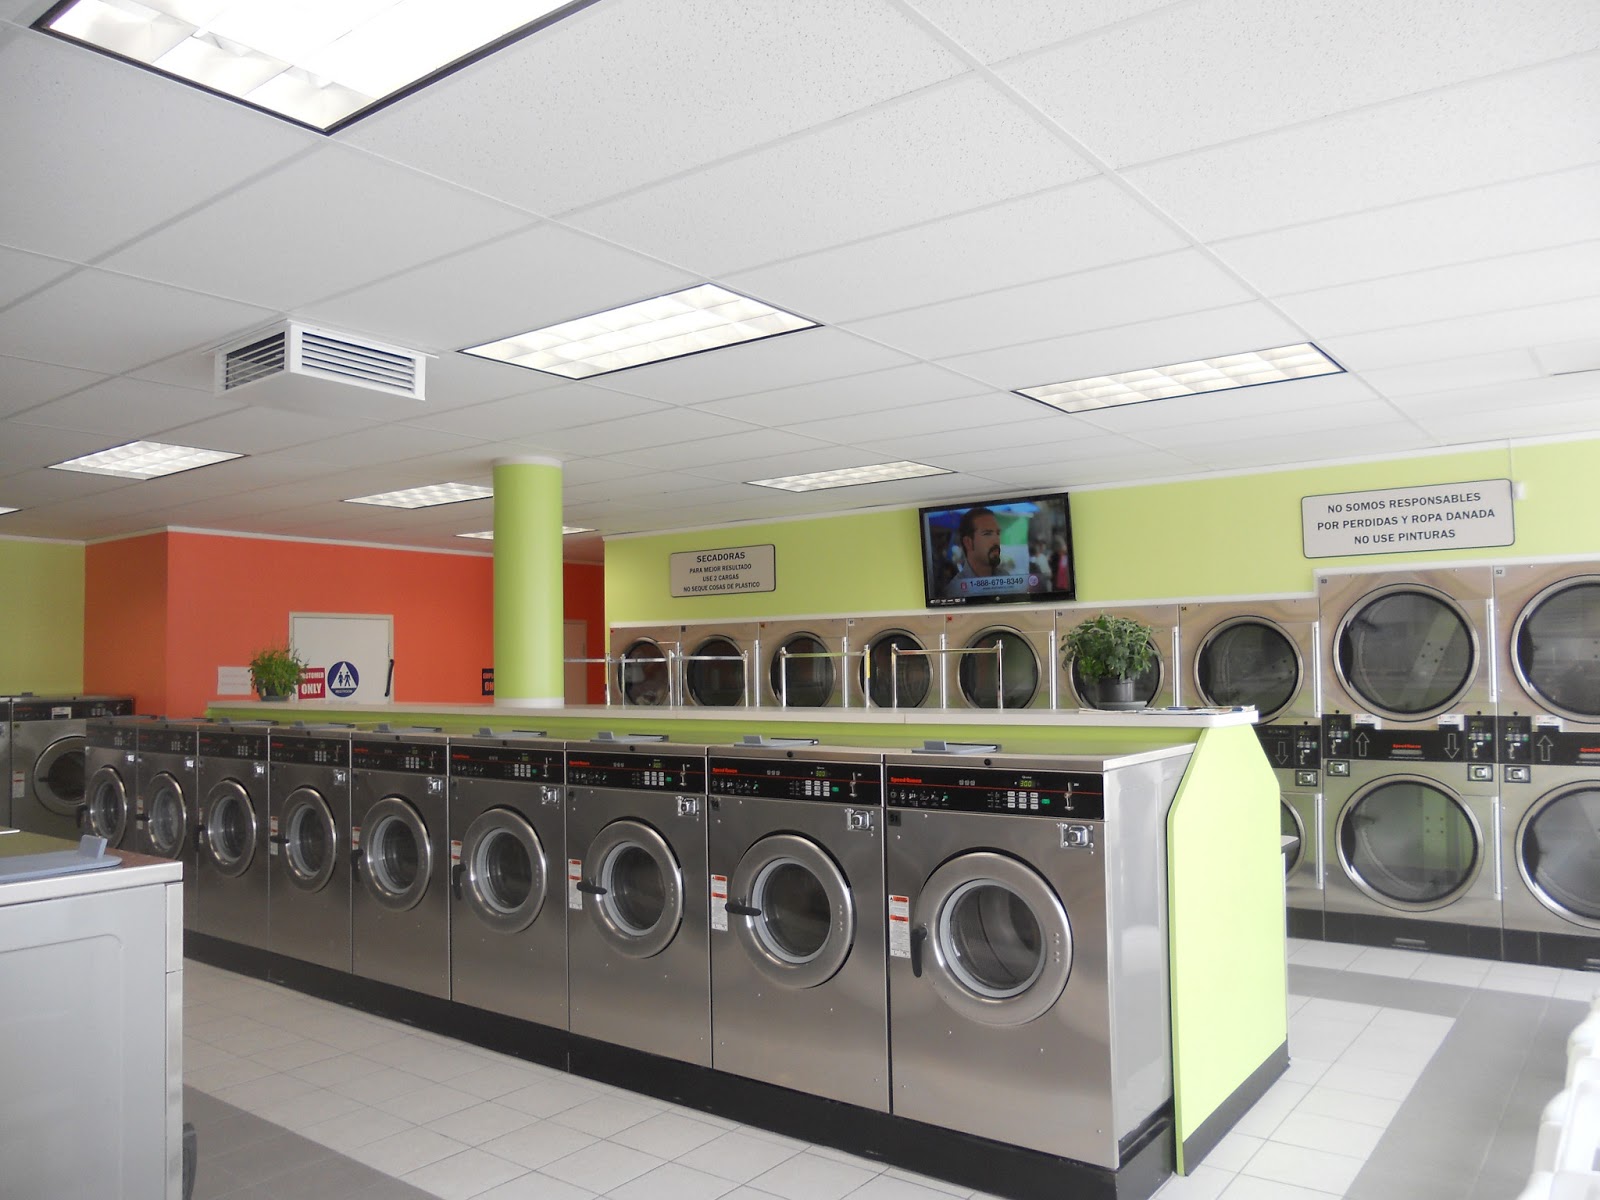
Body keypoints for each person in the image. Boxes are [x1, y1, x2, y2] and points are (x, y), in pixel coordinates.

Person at [942, 506, 1005, 598]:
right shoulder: (956, 590)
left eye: (998, 533)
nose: (996, 540)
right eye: (987, 534)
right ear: (968, 542)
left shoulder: (1005, 577)